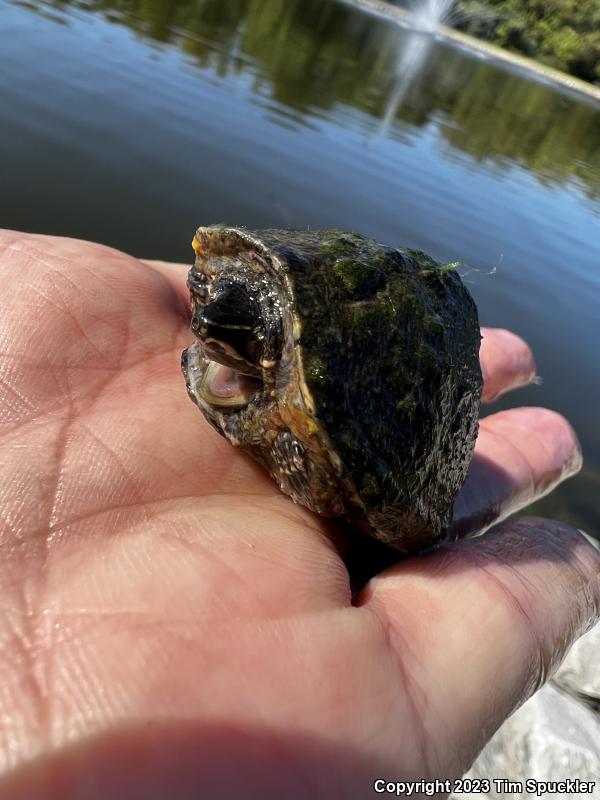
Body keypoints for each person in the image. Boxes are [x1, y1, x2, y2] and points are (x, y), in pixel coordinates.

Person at [0, 229, 598, 799]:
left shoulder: (290, 390)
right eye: (210, 326)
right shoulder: (232, 297)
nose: (201, 324)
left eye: (222, 336)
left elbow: (319, 457)